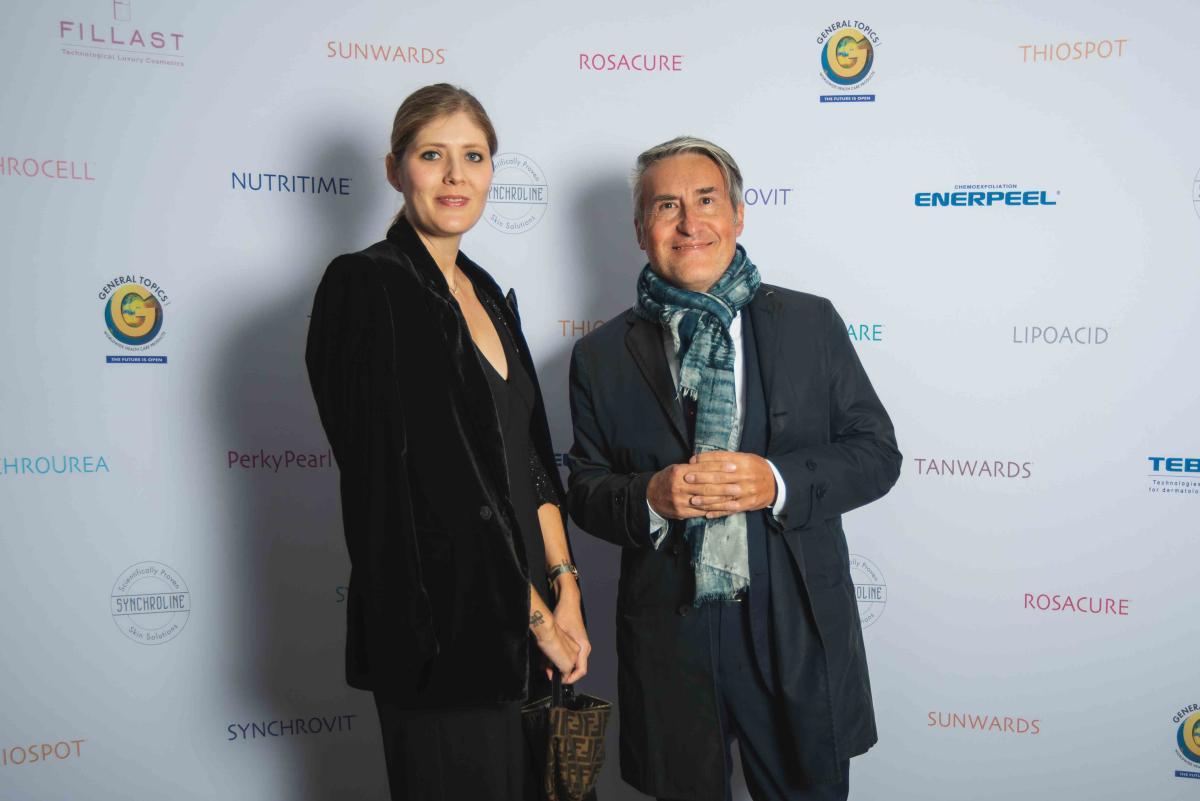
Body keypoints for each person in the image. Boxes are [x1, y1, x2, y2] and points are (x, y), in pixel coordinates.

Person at [565, 136, 901, 801]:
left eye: (707, 200)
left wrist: (777, 481)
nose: (690, 223)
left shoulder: (809, 322)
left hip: (795, 622)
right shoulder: (599, 355)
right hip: (671, 632)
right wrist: (650, 496)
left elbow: (876, 453)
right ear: (640, 229)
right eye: (667, 206)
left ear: (739, 214)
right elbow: (583, 487)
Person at [305, 83, 590, 801]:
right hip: (445, 632)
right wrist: (535, 616)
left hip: (535, 620)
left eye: (474, 156)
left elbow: (530, 455)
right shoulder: (365, 285)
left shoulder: (487, 290)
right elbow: (421, 484)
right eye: (433, 155)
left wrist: (566, 588)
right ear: (395, 169)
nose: (456, 175)